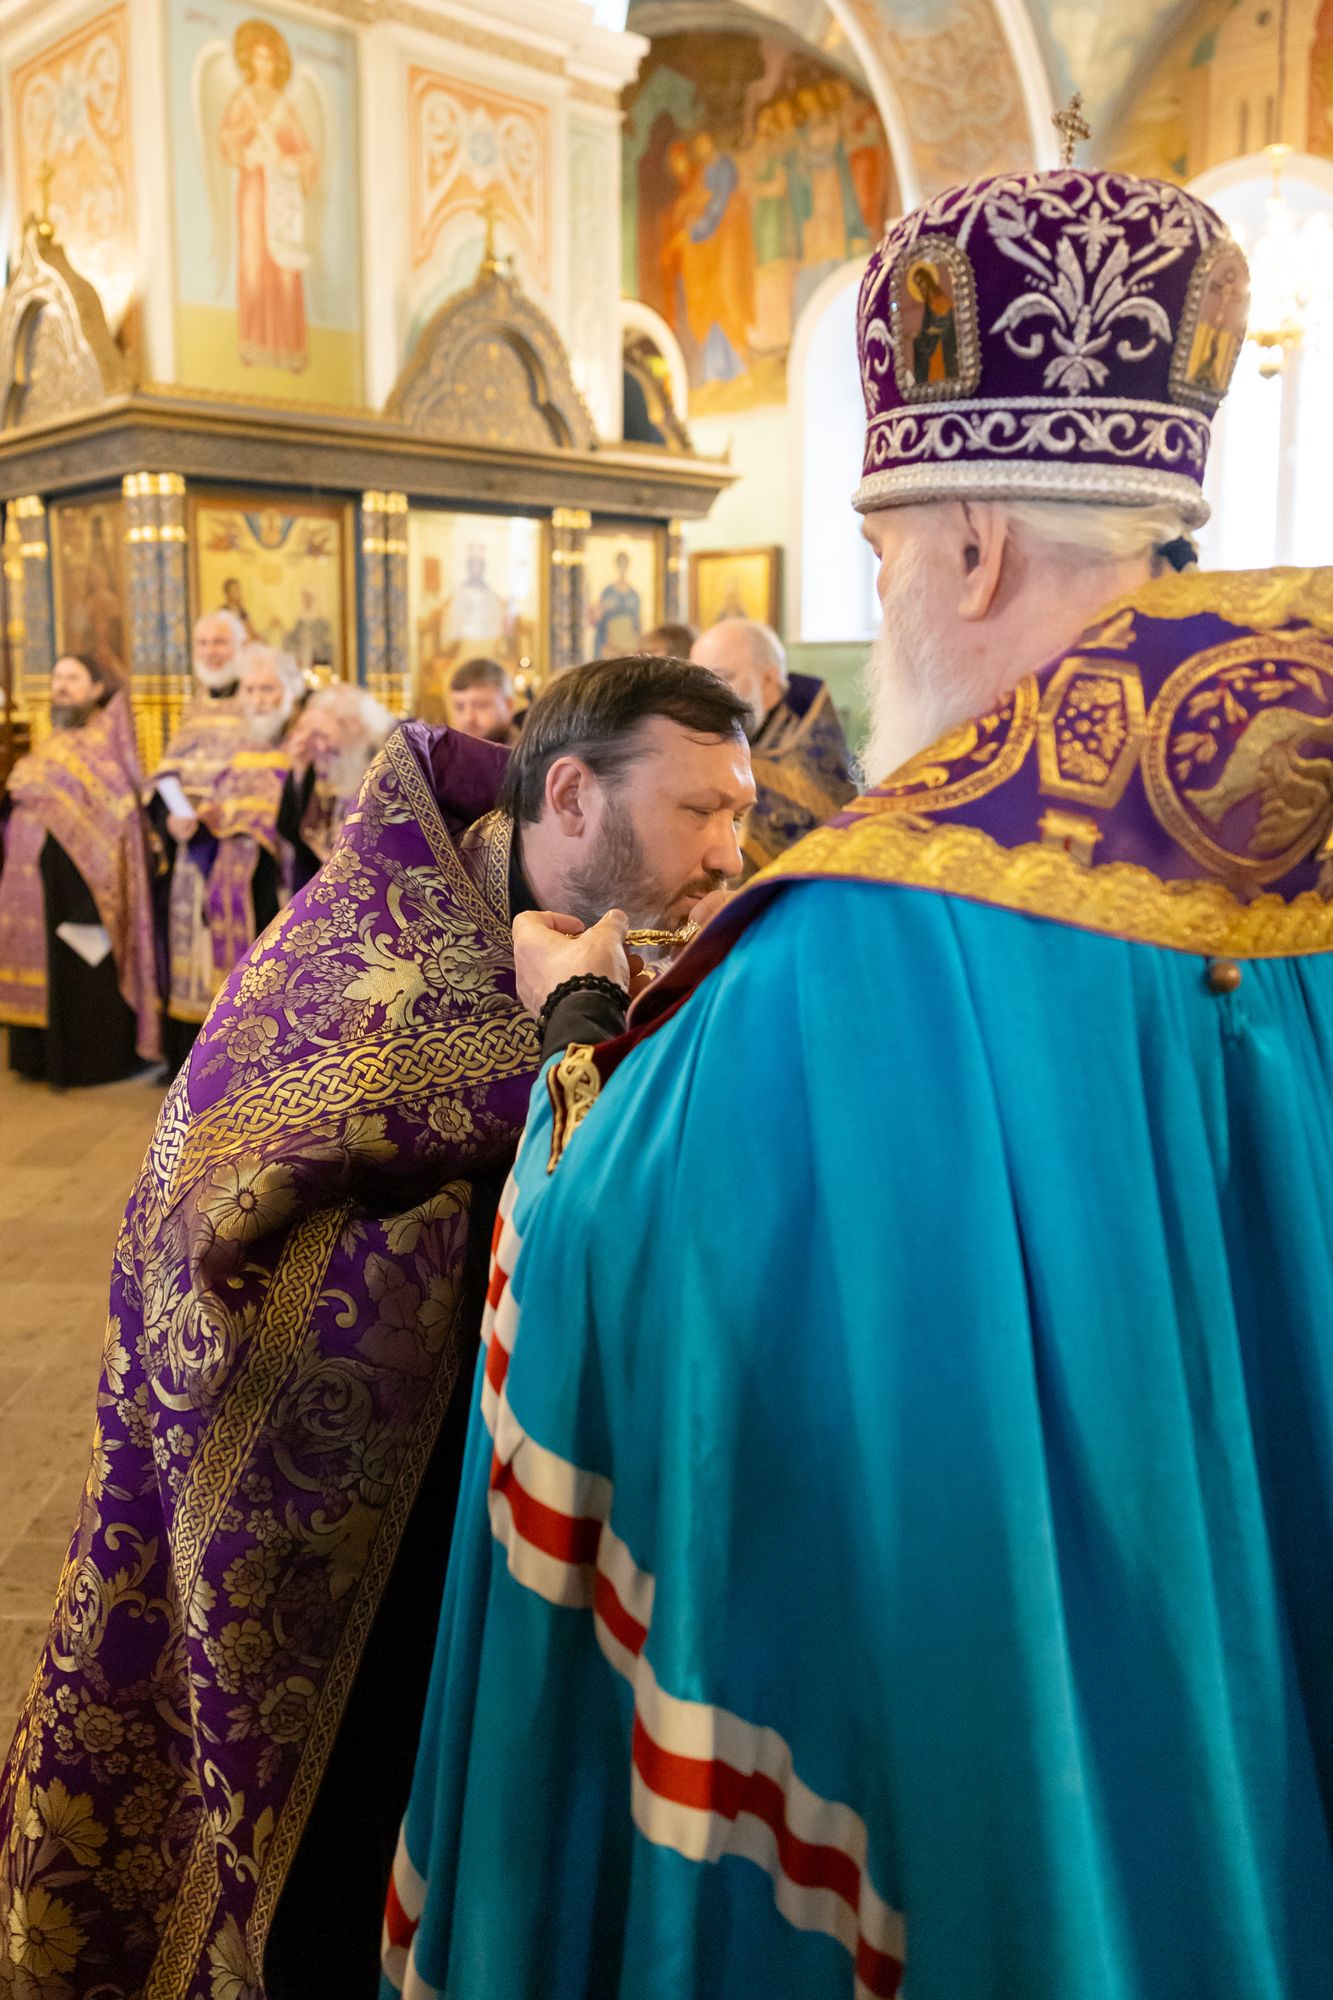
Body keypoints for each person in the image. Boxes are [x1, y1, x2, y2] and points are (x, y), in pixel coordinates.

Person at [385, 169, 1333, 2000]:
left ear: (969, 546)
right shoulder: (1297, 849)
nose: (886, 587)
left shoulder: (862, 938)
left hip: (1001, 1752)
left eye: (882, 546)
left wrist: (575, 1033)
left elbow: (607, 1268)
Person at [0, 658, 753, 2000]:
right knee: (346, 1850)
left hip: (515, 1498)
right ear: (570, 798)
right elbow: (219, 1221)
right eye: (703, 811)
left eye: (740, 811)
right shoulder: (373, 948)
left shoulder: (644, 934)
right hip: (355, 1530)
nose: (732, 854)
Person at [0, 655, 160, 1087]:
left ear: (97, 689)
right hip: (36, 878)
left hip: (85, 884)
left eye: (72, 678)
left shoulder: (105, 747)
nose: (61, 686)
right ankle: (38, 1058)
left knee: (81, 968)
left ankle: (89, 1062)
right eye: (57, 678)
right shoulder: (52, 742)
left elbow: (117, 817)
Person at [150, 612, 252, 1075]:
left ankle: (228, 1061)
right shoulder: (192, 710)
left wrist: (216, 815)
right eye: (204, 643)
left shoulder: (256, 706)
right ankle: (187, 1060)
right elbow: (165, 776)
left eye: (221, 642)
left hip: (236, 854)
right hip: (188, 857)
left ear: (241, 648)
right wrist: (170, 818)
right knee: (188, 947)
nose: (211, 651)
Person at [691, 614, 857, 871]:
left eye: (721, 678)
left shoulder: (809, 762)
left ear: (768, 680)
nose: (703, 698)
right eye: (697, 682)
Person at [280, 681, 397, 891]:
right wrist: (298, 773)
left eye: (324, 736)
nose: (320, 746)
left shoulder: (393, 766)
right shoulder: (322, 764)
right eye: (314, 736)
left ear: (355, 728)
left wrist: (360, 833)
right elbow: (291, 830)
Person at [448, 657, 519, 745]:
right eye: (460, 707)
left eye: (480, 706)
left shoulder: (529, 751)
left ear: (509, 705)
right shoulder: (446, 751)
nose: (468, 718)